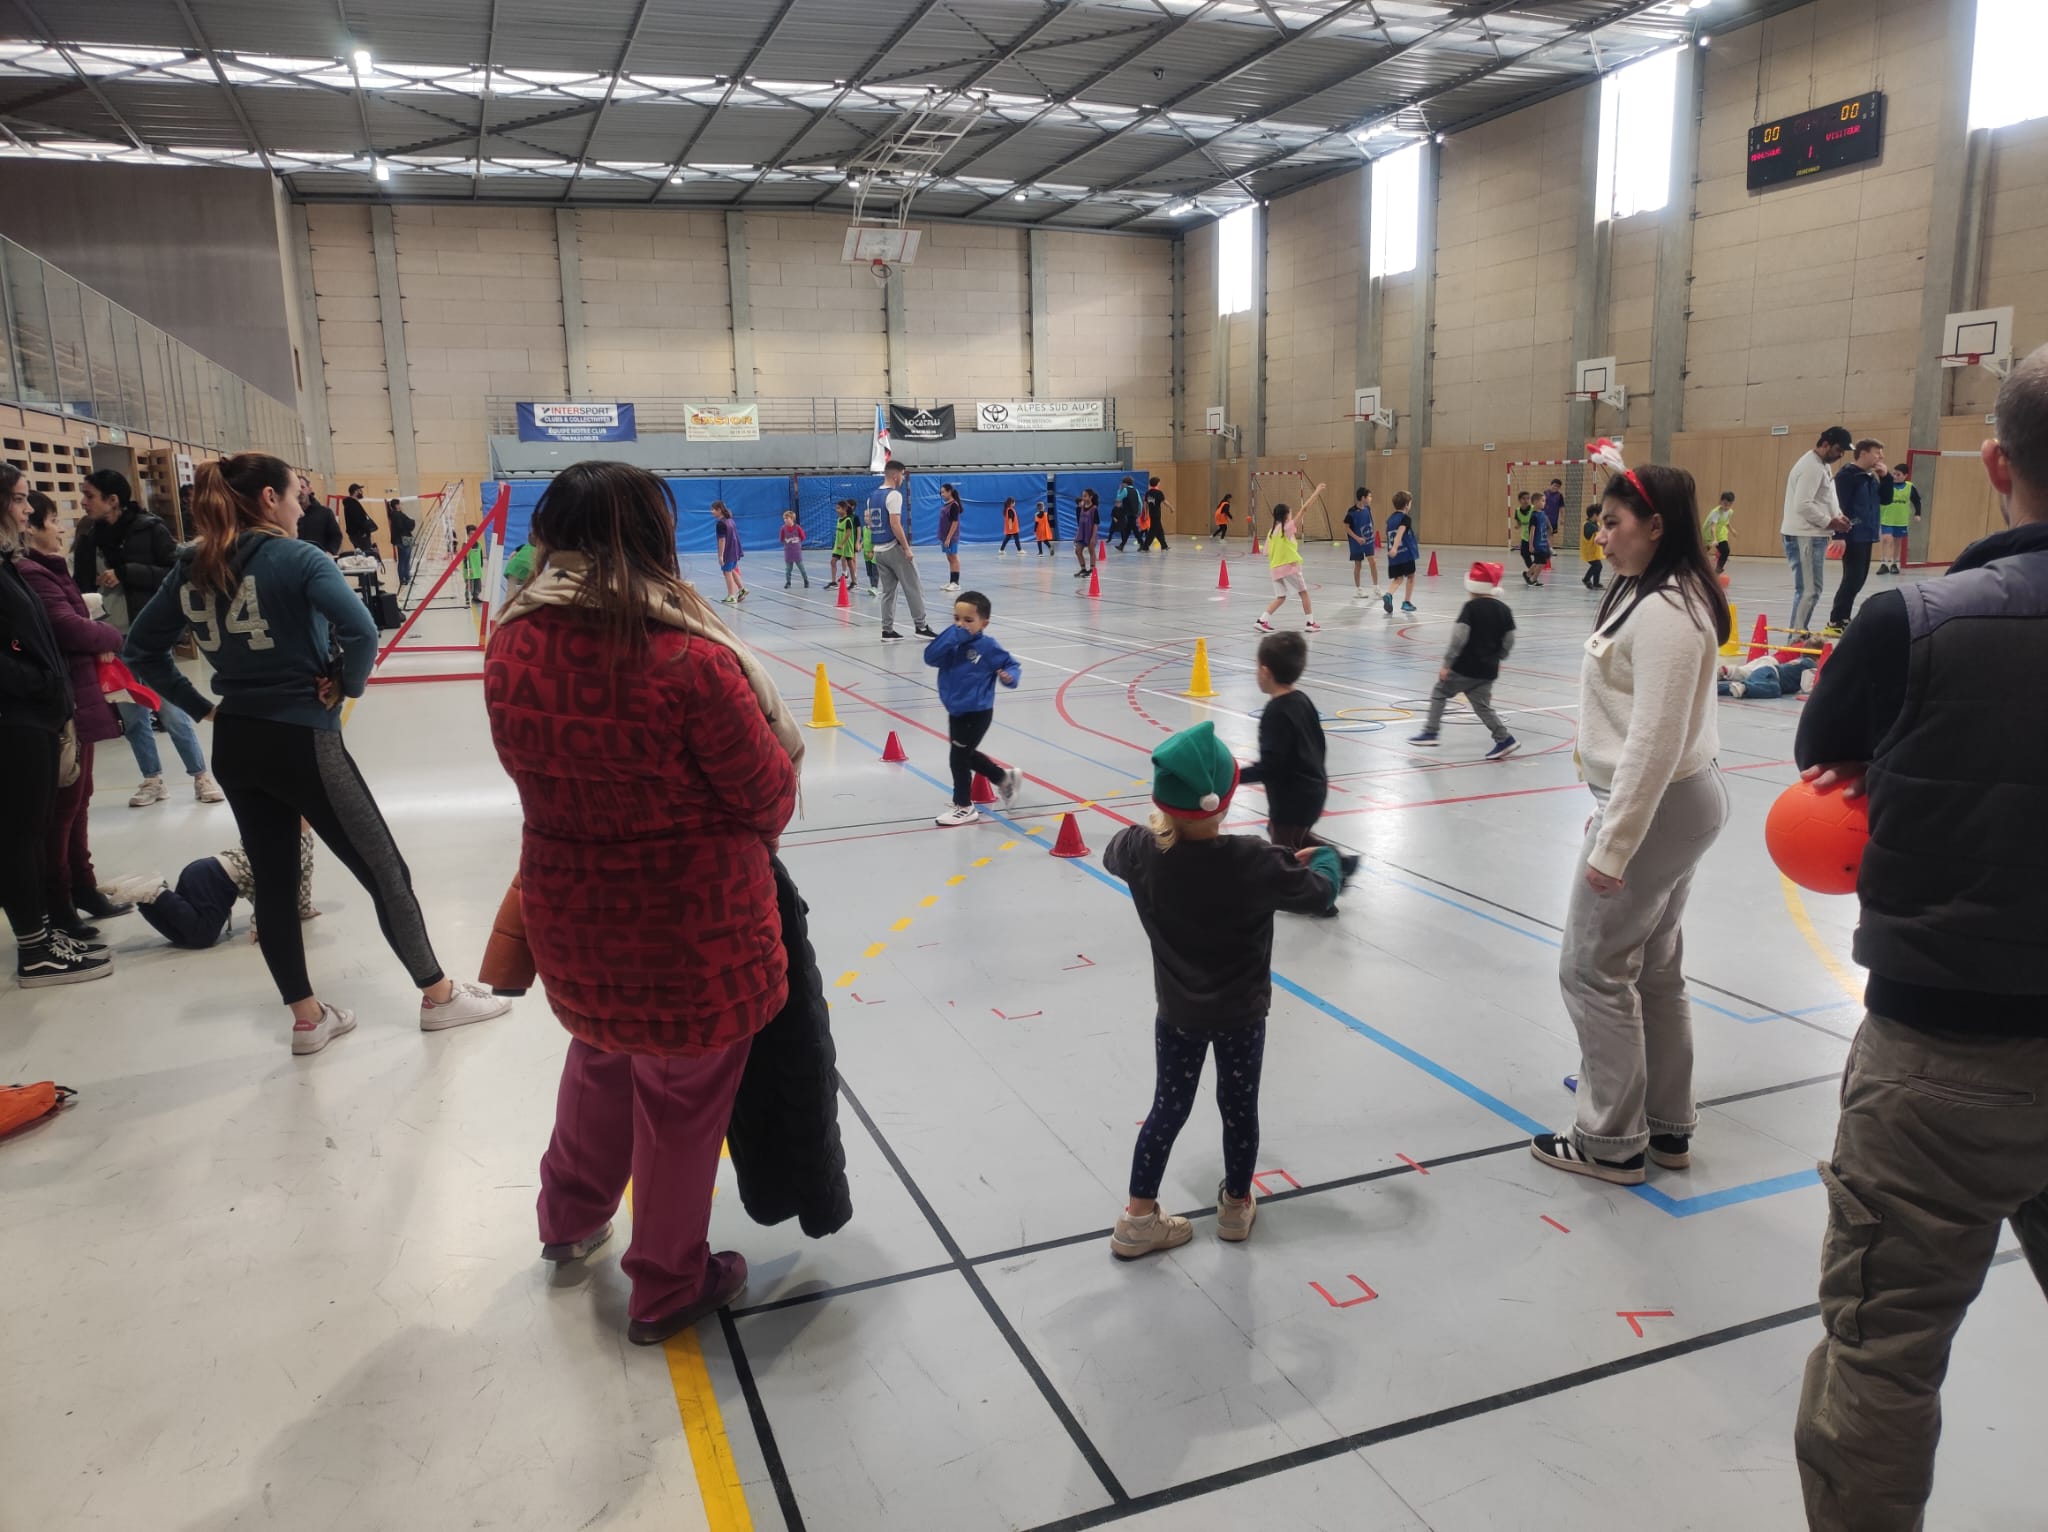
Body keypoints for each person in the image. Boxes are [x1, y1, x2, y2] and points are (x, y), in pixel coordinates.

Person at [1788, 343, 2048, 1532]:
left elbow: (1820, 758)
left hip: (1936, 1060)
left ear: (1991, 463)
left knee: (1881, 1359)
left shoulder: (1912, 618)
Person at [486, 459, 801, 1346]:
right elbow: (766, 794)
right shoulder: (690, 657)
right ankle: (666, 1281)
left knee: (600, 1055)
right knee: (682, 1093)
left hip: (570, 907)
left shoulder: (510, 639)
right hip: (692, 927)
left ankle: (569, 1216)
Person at [124, 452, 510, 1054]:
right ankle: (439, 998)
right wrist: (346, 684)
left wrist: (202, 709)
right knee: (385, 870)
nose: (303, 504)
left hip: (236, 743)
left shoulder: (190, 564)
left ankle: (308, 1018)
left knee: (274, 883)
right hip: (302, 737)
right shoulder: (295, 557)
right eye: (297, 494)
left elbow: (140, 651)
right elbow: (359, 630)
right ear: (270, 499)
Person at [1528, 452, 1730, 1186]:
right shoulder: (1654, 589)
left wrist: (1613, 845)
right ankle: (1668, 1128)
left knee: (1592, 968)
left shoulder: (1668, 614)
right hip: (1674, 806)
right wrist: (1614, 464)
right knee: (1656, 970)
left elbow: (1653, 743)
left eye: (1613, 523)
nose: (1600, 536)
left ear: (1655, 527)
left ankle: (1610, 1140)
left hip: (1659, 806)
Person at [1102, 722, 1348, 1258]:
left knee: (1168, 1106)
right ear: (1225, 800)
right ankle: (1236, 1206)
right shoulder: (1256, 861)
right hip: (1241, 1015)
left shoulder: (1140, 851)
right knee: (1239, 1107)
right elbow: (1319, 893)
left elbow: (1115, 852)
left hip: (1178, 1014)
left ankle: (1137, 1218)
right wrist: (1320, 857)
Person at [0, 464, 111, 986]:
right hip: (17, 715)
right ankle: (36, 947)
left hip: (35, 712)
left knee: (35, 827)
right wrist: (38, 682)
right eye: (21, 501)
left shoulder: (9, 564)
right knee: (22, 836)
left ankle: (44, 932)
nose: (28, 511)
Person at [18, 494, 131, 941]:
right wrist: (109, 635)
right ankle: (60, 900)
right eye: (51, 520)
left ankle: (82, 887)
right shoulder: (31, 572)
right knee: (64, 808)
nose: (61, 527)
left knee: (79, 801)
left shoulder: (44, 569)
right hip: (60, 702)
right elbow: (70, 626)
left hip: (75, 696)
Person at [76, 469, 221, 808]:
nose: (84, 501)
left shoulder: (150, 528)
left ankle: (200, 775)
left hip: (147, 642)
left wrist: (127, 572)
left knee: (170, 710)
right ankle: (152, 779)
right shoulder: (88, 537)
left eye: (90, 495)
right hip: (111, 642)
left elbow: (175, 573)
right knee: (132, 716)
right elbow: (79, 587)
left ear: (113, 500)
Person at [108, 828, 318, 950]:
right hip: (216, 880)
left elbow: (304, 876)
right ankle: (155, 893)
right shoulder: (294, 848)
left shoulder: (293, 838)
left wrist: (303, 908)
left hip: (204, 871)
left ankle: (148, 897)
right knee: (203, 937)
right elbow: (270, 888)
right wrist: (261, 924)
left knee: (186, 937)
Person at [922, 589, 1023, 828]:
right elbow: (930, 657)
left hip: (977, 712)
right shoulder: (951, 642)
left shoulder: (987, 647)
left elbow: (1011, 664)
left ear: (983, 623)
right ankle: (1004, 779)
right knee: (966, 754)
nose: (961, 625)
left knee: (958, 758)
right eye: (956, 619)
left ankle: (964, 806)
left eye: (968, 620)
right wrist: (953, 636)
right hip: (956, 710)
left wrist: (1009, 677)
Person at [1409, 561, 1519, 759]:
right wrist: (1499, 656)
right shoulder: (1504, 609)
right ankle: (1504, 739)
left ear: (1472, 587)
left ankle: (1431, 731)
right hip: (1489, 669)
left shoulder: (1470, 608)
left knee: (1440, 691)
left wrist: (1446, 664)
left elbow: (1459, 637)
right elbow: (1510, 639)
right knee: (1481, 705)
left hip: (1466, 667)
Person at [1238, 631, 1326, 850]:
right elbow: (1319, 746)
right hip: (1314, 791)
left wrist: (1234, 777)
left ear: (1265, 672)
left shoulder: (1275, 712)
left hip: (1290, 801)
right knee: (1295, 835)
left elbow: (1271, 767)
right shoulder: (1303, 700)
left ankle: (1330, 869)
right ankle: (1338, 861)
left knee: (1284, 851)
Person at [1783, 425, 1854, 636]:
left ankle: (1798, 633)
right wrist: (1829, 522)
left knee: (1812, 590)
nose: (1840, 455)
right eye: (1838, 450)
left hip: (1814, 535)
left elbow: (1826, 497)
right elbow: (1803, 504)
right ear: (1825, 444)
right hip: (1804, 536)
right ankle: (1795, 638)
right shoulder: (1811, 467)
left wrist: (1838, 515)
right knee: (1808, 590)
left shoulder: (1822, 465)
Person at [866, 461, 936, 642]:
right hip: (893, 548)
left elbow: (870, 521)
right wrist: (906, 548)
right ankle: (921, 626)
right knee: (913, 586)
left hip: (879, 550)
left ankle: (887, 630)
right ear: (896, 475)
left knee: (888, 591)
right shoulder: (894, 495)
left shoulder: (872, 496)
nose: (903, 478)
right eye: (903, 475)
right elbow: (895, 523)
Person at [1825, 438, 1886, 635]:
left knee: (1859, 579)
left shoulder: (1869, 477)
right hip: (1851, 535)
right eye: (1877, 452)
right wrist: (1839, 534)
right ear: (1863, 453)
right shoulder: (1846, 476)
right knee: (1852, 578)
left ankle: (1843, 618)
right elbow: (1838, 506)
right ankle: (1835, 621)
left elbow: (1886, 499)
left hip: (1866, 534)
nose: (1881, 457)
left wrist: (1885, 478)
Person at [1255, 489, 1324, 635]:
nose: (1292, 516)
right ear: (1286, 516)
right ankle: (1310, 622)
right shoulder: (1286, 529)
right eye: (1290, 513)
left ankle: (1262, 620)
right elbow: (1304, 509)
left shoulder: (1271, 532)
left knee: (1280, 597)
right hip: (1288, 568)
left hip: (1274, 569)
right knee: (1304, 593)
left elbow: (1266, 552)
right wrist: (1316, 492)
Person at [1877, 463, 1921, 575]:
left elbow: (1916, 500)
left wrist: (1917, 513)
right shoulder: (1887, 484)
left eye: (1898, 474)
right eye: (1894, 474)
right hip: (1886, 517)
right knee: (1886, 539)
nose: (1895, 476)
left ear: (1905, 475)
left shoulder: (1910, 487)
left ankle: (1894, 563)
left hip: (1900, 519)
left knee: (1897, 541)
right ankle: (1884, 563)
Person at [1383, 491, 1419, 613]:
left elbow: (1387, 533)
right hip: (1405, 554)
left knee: (1398, 578)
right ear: (1406, 506)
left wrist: (1391, 548)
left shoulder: (1390, 519)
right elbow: (1400, 532)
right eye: (1410, 503)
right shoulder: (1405, 519)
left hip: (1393, 557)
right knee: (1411, 576)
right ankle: (1406, 602)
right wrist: (1395, 547)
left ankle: (1388, 594)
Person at [1344, 488, 1380, 600]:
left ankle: (1376, 588)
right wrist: (1357, 538)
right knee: (1358, 565)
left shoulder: (1368, 509)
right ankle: (1358, 590)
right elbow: (1346, 527)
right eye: (1369, 496)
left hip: (1368, 541)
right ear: (1363, 498)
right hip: (1356, 543)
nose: (1371, 498)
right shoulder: (1352, 511)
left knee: (1373, 562)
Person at [296, 475, 342, 556]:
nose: (300, 491)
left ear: (309, 490)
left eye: (302, 487)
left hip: (319, 561)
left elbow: (336, 536)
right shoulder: (286, 515)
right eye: (296, 488)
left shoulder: (325, 513)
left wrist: (330, 552)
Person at [712, 502, 745, 604]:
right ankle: (742, 589)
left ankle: (731, 596)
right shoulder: (730, 520)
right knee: (732, 570)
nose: (711, 512)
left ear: (719, 510)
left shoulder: (721, 523)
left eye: (713, 509)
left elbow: (722, 540)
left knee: (727, 572)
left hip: (728, 551)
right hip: (735, 549)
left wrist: (721, 556)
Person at [938, 482, 965, 592]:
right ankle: (951, 582)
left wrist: (949, 538)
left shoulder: (954, 505)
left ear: (949, 492)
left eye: (943, 492)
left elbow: (954, 523)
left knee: (953, 558)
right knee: (950, 558)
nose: (942, 494)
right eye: (941, 493)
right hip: (945, 537)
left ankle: (956, 583)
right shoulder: (947, 505)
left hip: (951, 537)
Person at [342, 483, 378, 558]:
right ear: (355, 492)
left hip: (357, 534)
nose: (361, 492)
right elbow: (357, 520)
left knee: (361, 555)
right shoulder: (352, 504)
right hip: (360, 535)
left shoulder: (351, 503)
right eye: (360, 490)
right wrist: (364, 532)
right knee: (366, 556)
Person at [386, 494, 416, 584]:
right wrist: (410, 523)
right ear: (396, 505)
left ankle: (406, 577)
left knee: (406, 560)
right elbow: (401, 527)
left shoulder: (396, 514)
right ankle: (403, 578)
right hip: (404, 539)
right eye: (399, 504)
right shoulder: (397, 515)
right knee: (404, 560)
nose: (401, 505)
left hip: (404, 539)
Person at [1703, 491, 1735, 576]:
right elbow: (1713, 526)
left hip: (1720, 533)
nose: (1726, 507)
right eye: (1725, 504)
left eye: (1729, 505)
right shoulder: (1716, 512)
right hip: (1709, 533)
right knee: (1703, 551)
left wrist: (1732, 530)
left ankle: (1717, 571)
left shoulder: (1730, 511)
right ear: (1720, 501)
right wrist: (1714, 539)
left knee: (1725, 550)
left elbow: (1726, 522)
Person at [829, 500, 858, 589]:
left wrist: (842, 543)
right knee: (833, 561)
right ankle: (833, 582)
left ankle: (854, 582)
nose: (836, 510)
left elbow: (848, 533)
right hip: (838, 546)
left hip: (846, 545)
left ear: (844, 509)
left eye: (838, 508)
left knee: (850, 563)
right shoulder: (838, 520)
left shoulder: (848, 520)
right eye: (836, 508)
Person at [778, 509, 809, 590]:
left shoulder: (797, 528)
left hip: (796, 551)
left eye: (787, 518)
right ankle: (788, 582)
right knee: (788, 569)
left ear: (792, 519)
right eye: (784, 518)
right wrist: (786, 540)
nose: (785, 520)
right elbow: (781, 539)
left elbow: (803, 537)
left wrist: (796, 541)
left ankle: (806, 581)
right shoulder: (783, 528)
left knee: (801, 568)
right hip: (788, 551)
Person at [1073, 488, 1100, 579]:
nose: (1083, 498)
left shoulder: (1094, 509)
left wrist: (1093, 537)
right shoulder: (1082, 507)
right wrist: (1077, 534)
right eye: (1082, 496)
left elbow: (1096, 524)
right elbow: (1080, 522)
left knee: (1091, 551)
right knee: (1077, 551)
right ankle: (1083, 569)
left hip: (1090, 533)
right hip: (1082, 533)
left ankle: (1092, 570)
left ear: (1090, 497)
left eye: (1085, 496)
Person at [1528, 494, 1552, 585]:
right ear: (1535, 502)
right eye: (1542, 501)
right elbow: (1532, 532)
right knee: (1541, 563)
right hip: (1537, 544)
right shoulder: (1534, 516)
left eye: (1544, 501)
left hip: (1543, 543)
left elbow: (1545, 527)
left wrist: (1547, 540)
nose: (1544, 503)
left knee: (1537, 561)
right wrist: (1531, 544)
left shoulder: (1542, 513)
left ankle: (1527, 575)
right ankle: (1533, 580)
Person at [1512, 490, 1538, 579]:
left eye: (1528, 498)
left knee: (1538, 556)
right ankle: (1532, 570)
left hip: (1535, 536)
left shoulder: (1534, 509)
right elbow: (1519, 522)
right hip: (1525, 536)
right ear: (1519, 500)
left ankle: (1534, 570)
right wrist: (1517, 526)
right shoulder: (1517, 511)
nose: (1526, 500)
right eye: (1523, 498)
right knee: (1524, 554)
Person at [1112, 476, 1140, 552]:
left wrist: (1119, 490)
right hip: (1134, 512)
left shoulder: (1125, 490)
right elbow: (1140, 502)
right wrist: (1139, 512)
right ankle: (1122, 545)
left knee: (1135, 529)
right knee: (1128, 530)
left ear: (1125, 483)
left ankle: (1143, 544)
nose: (1122, 484)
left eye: (1122, 483)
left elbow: (1118, 499)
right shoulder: (1136, 490)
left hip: (1129, 513)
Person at [1144, 476, 1173, 551]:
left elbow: (1146, 504)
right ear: (1157, 483)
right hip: (1157, 514)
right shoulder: (1159, 492)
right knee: (1153, 531)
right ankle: (1145, 547)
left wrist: (1146, 513)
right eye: (1159, 482)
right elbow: (1164, 502)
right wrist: (1171, 507)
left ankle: (1164, 545)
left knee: (1159, 530)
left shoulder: (1148, 492)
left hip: (1151, 513)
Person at [1581, 503, 1605, 589]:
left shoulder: (1596, 523)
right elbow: (1596, 530)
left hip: (1595, 551)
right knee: (1597, 566)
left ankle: (1596, 583)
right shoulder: (1588, 525)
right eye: (1600, 514)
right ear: (1595, 515)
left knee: (1598, 566)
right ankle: (1586, 579)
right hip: (1589, 551)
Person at [463, 524, 486, 605]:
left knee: (478, 585)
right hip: (469, 569)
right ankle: (467, 598)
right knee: (469, 585)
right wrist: (467, 568)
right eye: (471, 534)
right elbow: (465, 558)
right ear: (468, 535)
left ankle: (476, 597)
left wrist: (481, 565)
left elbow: (480, 555)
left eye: (475, 534)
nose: (473, 535)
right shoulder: (466, 544)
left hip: (477, 569)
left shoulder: (479, 544)